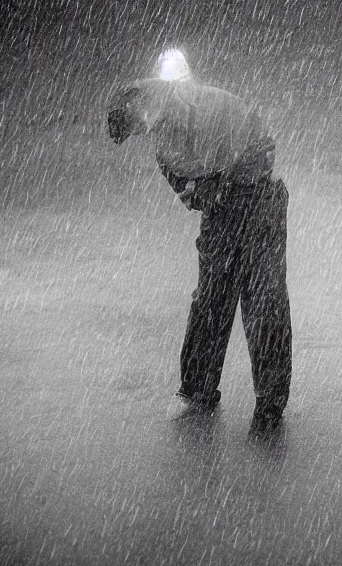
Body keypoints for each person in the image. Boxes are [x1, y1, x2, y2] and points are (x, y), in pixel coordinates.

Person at [106, 49, 293, 435]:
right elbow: (179, 176)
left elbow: (244, 153)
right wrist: (198, 192)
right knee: (212, 300)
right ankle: (198, 391)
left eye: (137, 127)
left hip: (257, 200)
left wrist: (210, 188)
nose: (143, 134)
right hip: (225, 210)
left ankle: (268, 404)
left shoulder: (205, 110)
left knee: (264, 301)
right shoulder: (164, 130)